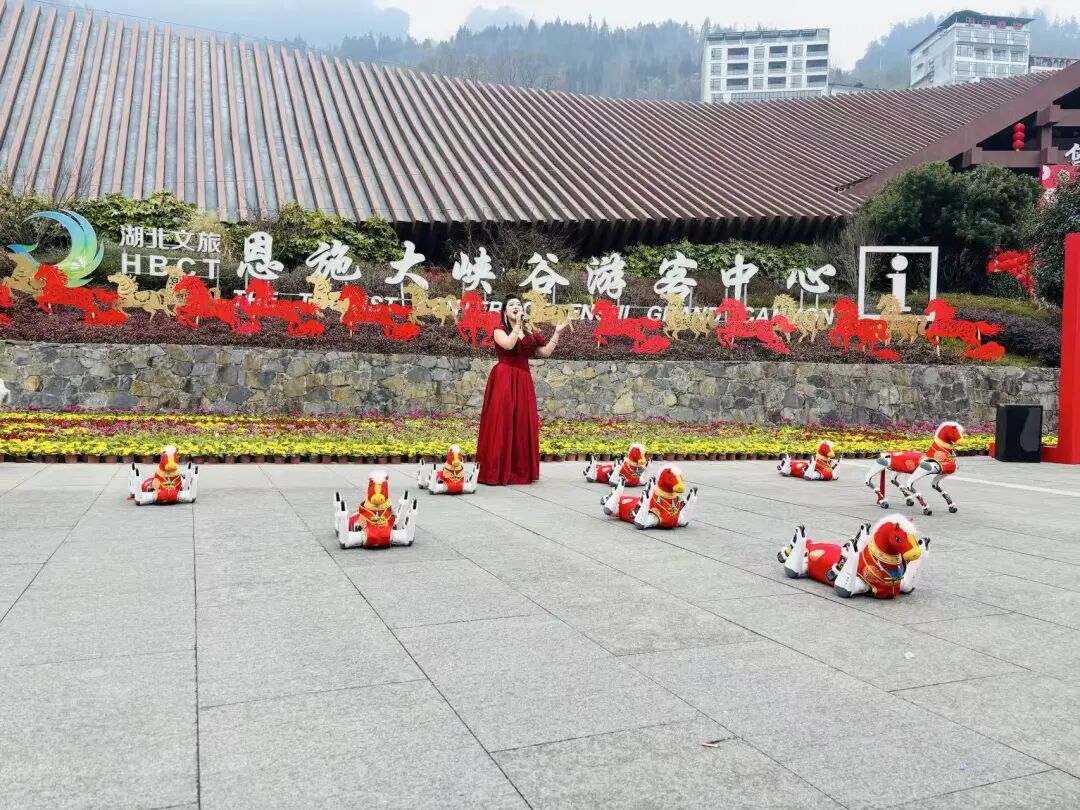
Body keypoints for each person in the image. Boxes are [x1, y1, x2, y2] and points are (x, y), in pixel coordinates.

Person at [476, 296, 568, 485]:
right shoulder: (499, 330)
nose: (516, 307)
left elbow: (544, 353)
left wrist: (557, 333)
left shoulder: (528, 332)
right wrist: (518, 325)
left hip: (523, 379)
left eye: (518, 304)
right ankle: (497, 471)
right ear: (504, 311)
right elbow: (509, 345)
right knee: (502, 421)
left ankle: (519, 470)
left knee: (522, 421)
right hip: (504, 377)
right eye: (511, 305)